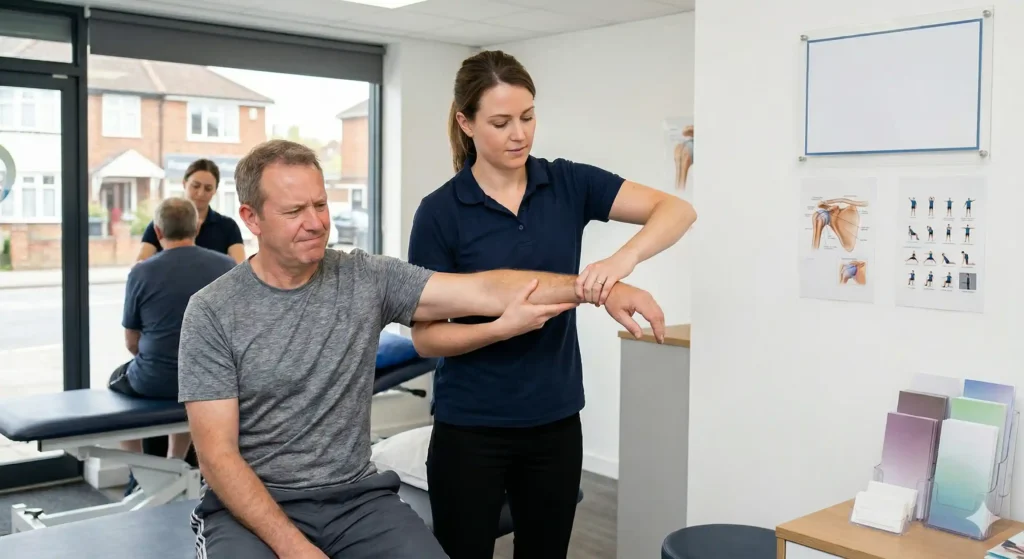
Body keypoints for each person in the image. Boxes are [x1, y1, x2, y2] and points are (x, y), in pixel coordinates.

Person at [177, 139, 667, 559]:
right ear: (251, 218)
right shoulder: (213, 311)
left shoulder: (365, 276)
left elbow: (487, 289)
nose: (315, 223)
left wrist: (599, 289)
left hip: (354, 500)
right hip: (251, 509)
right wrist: (295, 548)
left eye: (320, 205)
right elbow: (217, 456)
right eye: (293, 211)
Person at [406, 50, 697, 559]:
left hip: (555, 422)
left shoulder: (566, 183)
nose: (519, 134)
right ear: (465, 123)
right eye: (500, 122)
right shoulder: (440, 212)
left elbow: (677, 209)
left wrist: (619, 264)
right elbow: (427, 337)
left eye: (527, 116)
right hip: (471, 427)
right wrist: (499, 328)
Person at [108, 197, 236, 464]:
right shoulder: (227, 267)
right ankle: (175, 461)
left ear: (157, 232)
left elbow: (132, 342)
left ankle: (138, 470)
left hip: (155, 380)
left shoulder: (140, 273)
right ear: (197, 228)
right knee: (188, 387)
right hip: (209, 381)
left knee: (116, 380)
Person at [136, 158, 246, 264]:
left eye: (208, 188)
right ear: (184, 183)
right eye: (195, 186)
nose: (201, 193)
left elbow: (240, 269)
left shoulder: (228, 227)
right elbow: (141, 263)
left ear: (215, 190)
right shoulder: (161, 223)